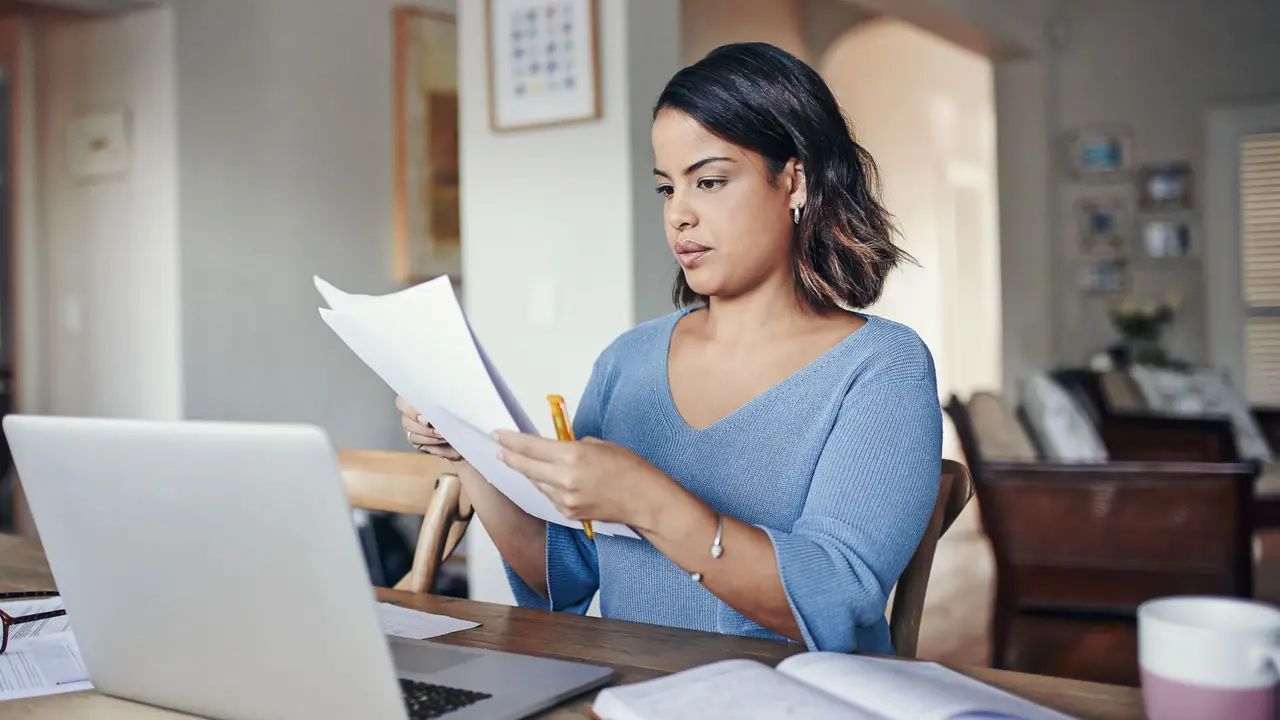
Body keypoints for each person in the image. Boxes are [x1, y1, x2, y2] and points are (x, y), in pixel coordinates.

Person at [398, 42, 942, 654]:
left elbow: (839, 601)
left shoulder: (882, 368)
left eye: (709, 181)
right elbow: (566, 575)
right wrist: (466, 451)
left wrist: (648, 501)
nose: (679, 215)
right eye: (666, 189)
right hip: (627, 690)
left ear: (795, 180)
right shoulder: (627, 362)